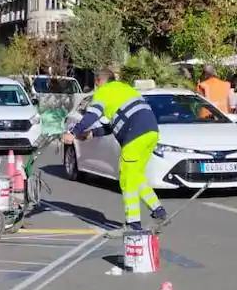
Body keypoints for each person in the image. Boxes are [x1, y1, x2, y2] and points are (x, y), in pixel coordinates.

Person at [63, 67, 165, 230]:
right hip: (151, 132)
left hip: (135, 135)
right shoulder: (125, 89)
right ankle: (158, 210)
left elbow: (92, 115)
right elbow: (113, 126)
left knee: (126, 179)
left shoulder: (103, 92)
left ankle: (133, 223)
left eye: (96, 83)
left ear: (99, 81)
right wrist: (92, 134)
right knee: (136, 176)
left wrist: (73, 132)